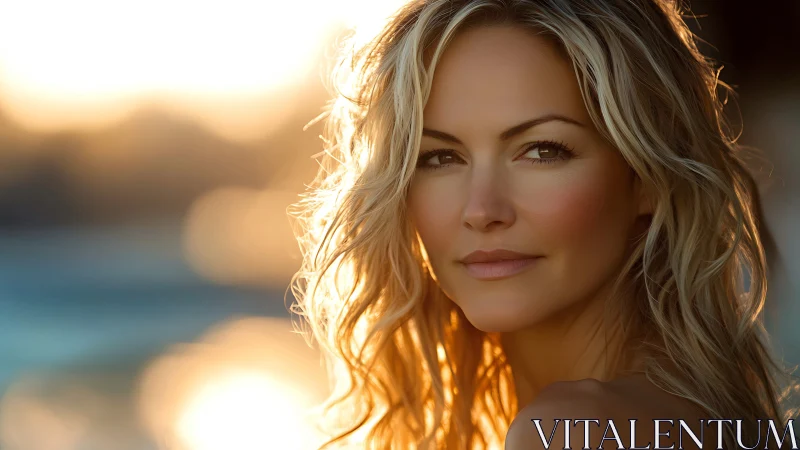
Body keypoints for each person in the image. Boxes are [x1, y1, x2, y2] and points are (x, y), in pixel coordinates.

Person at [287, 0, 797, 448]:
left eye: (542, 151)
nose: (482, 210)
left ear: (648, 177)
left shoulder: (569, 431)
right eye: (440, 157)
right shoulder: (702, 417)